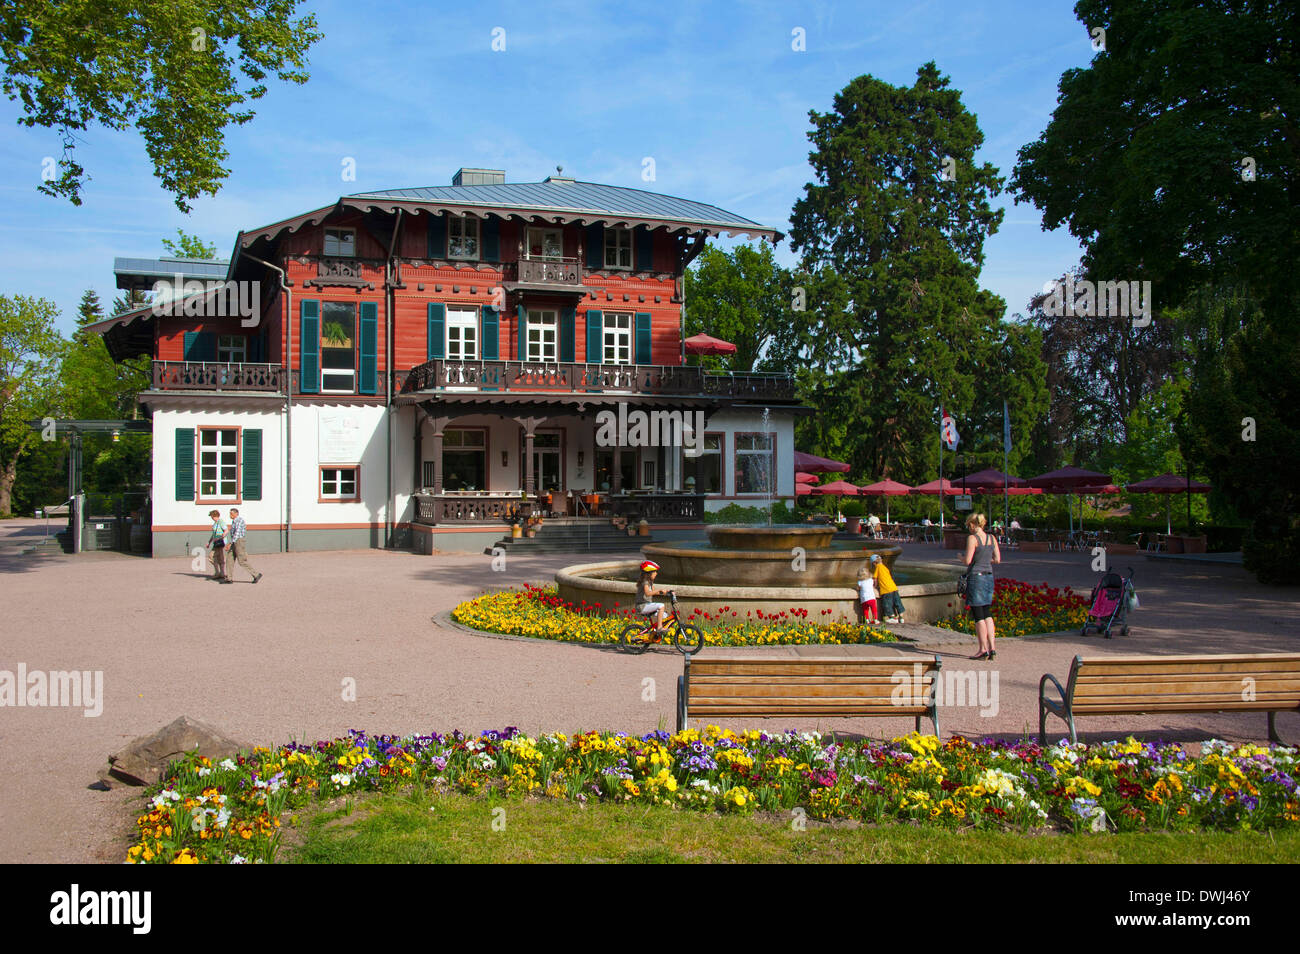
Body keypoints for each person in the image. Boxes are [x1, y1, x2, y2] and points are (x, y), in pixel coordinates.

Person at [963, 512, 1001, 659]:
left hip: (976, 578)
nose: (968, 528)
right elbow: (997, 559)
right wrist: (985, 560)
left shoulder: (972, 539)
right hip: (988, 577)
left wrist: (960, 557)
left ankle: (982, 649)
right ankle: (992, 648)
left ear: (973, 524)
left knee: (978, 614)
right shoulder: (992, 538)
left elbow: (968, 561)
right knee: (987, 612)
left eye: (968, 525)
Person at [224, 508, 262, 583]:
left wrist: (230, 543)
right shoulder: (234, 521)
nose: (230, 515)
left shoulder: (239, 520)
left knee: (241, 561)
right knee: (229, 559)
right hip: (234, 541)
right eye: (230, 513)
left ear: (236, 513)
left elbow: (237, 533)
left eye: (231, 513)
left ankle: (256, 574)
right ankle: (229, 578)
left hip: (239, 541)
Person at [635, 560, 670, 636]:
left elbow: (654, 591)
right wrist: (659, 590)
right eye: (654, 572)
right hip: (642, 606)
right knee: (661, 605)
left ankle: (655, 633)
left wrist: (666, 592)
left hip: (647, 605)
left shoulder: (650, 582)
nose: (656, 574)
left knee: (665, 615)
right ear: (649, 573)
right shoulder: (645, 582)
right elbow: (647, 593)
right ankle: (659, 628)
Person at [871, 554, 905, 624]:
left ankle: (893, 618)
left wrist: (874, 586)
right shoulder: (885, 567)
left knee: (887, 604)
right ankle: (901, 617)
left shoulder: (878, 567)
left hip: (886, 589)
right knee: (897, 602)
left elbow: (875, 579)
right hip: (893, 587)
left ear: (874, 563)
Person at [206, 509, 230, 583]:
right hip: (217, 542)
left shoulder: (221, 522)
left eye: (212, 516)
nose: (211, 518)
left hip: (220, 542)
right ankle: (221, 573)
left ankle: (218, 573)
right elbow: (213, 534)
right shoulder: (215, 523)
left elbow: (226, 530)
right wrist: (209, 542)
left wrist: (222, 536)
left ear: (214, 516)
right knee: (220, 557)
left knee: (211, 556)